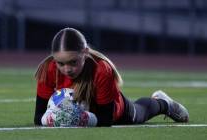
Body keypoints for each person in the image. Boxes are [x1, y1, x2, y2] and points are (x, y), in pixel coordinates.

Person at [34, 27, 189, 127]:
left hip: (114, 111)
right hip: (85, 112)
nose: (67, 69)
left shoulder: (102, 69)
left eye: (73, 62)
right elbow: (38, 116)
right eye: (61, 63)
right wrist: (53, 117)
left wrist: (80, 118)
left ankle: (164, 103)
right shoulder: (48, 69)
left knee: (141, 112)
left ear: (85, 53)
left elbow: (106, 119)